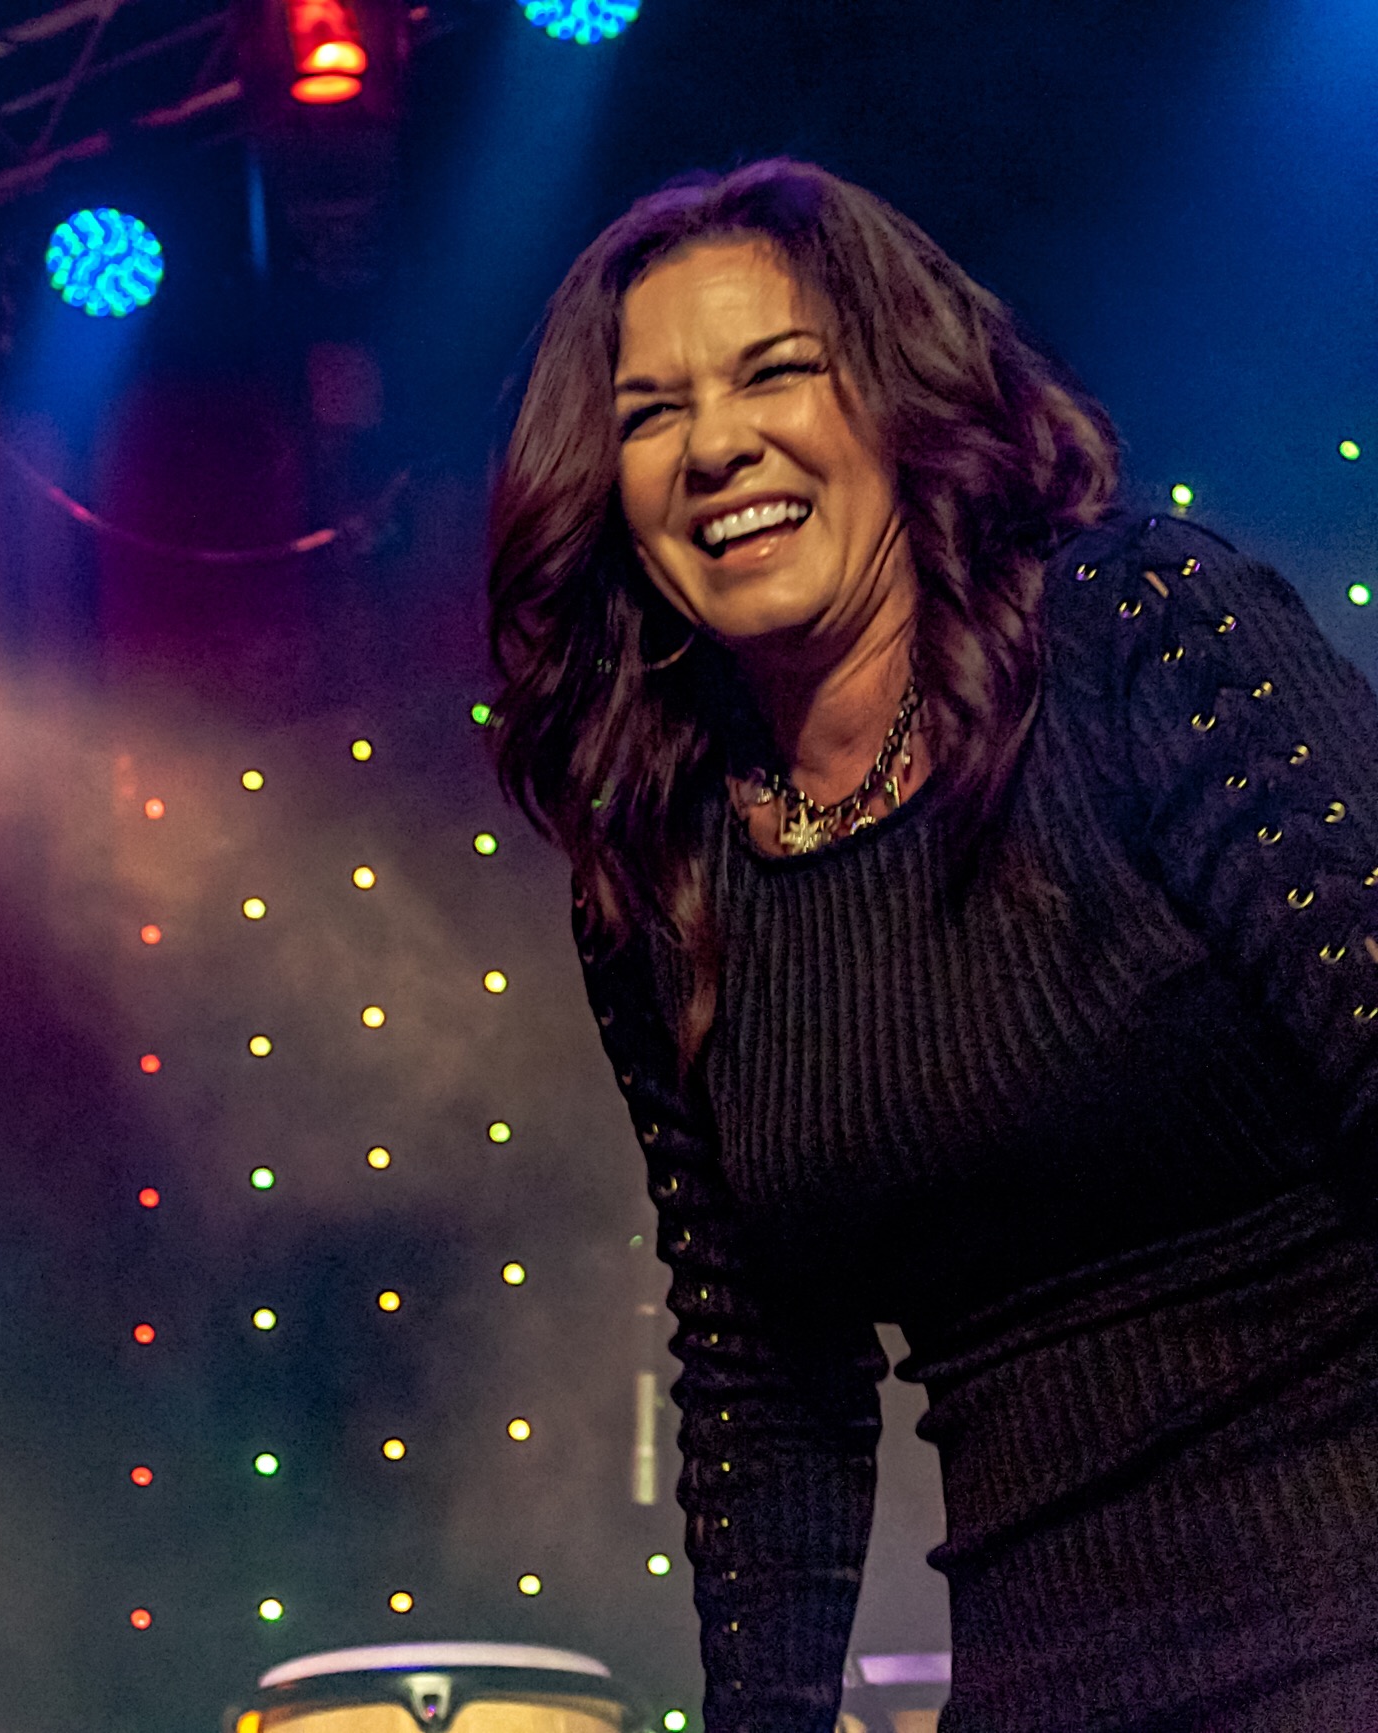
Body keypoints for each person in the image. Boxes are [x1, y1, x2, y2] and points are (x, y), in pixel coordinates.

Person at [486, 158, 1378, 1732]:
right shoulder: (667, 875)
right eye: (650, 413)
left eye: (777, 371)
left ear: (902, 399)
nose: (716, 445)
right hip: (1039, 1681)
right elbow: (764, 1378)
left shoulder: (1141, 636)